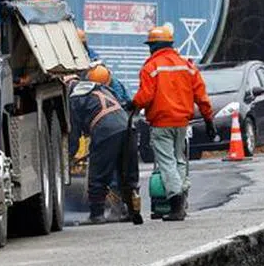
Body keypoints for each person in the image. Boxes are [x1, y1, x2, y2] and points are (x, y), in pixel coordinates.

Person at [128, 25, 215, 222]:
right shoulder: (187, 66)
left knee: (167, 162)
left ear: (155, 46)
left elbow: (146, 96)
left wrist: (133, 104)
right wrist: (209, 120)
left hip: (161, 123)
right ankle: (182, 198)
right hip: (182, 123)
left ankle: (175, 204)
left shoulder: (151, 67)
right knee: (179, 159)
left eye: (150, 45)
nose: (149, 49)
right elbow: (201, 96)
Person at [68, 65, 140, 225]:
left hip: (106, 130)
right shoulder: (103, 90)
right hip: (128, 127)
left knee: (98, 173)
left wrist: (69, 157)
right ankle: (132, 210)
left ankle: (96, 215)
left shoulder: (74, 98)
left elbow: (74, 134)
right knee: (127, 172)